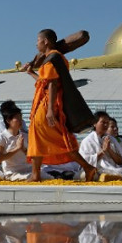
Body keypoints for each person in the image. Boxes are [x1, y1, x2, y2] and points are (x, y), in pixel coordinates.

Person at [25, 29, 96, 182]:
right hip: (42, 104)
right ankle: (36, 174)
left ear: (45, 41)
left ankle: (88, 167)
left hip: (48, 106)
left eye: (38, 40)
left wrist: (50, 110)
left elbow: (53, 84)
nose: (36, 44)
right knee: (35, 136)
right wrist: (31, 73)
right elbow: (44, 82)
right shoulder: (50, 59)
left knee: (62, 140)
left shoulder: (53, 58)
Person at [79, 111, 122, 180]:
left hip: (114, 169)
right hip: (96, 171)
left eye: (107, 123)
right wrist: (103, 151)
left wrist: (109, 150)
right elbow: (85, 163)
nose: (106, 125)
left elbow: (120, 162)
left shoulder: (112, 140)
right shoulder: (87, 141)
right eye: (103, 122)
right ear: (95, 123)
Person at [0, 100, 32, 181]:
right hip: (12, 173)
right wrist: (17, 148)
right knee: (31, 178)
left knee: (49, 176)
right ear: (8, 121)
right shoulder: (1, 137)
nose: (20, 120)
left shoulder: (25, 136)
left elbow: (32, 157)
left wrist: (23, 149)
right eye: (17, 118)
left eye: (21, 117)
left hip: (29, 169)